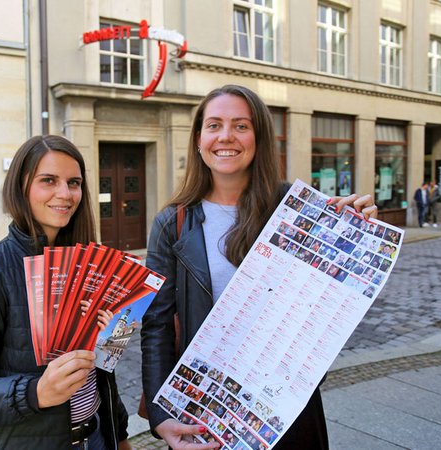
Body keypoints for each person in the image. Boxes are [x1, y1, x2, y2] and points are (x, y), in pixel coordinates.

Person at [140, 85, 378, 450]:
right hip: (208, 408)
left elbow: (331, 304)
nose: (226, 137)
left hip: (286, 403)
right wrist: (160, 417)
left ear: (259, 137)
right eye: (214, 125)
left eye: (240, 126)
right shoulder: (172, 222)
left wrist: (357, 234)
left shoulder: (295, 209)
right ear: (199, 138)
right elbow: (155, 325)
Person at [0, 135, 131, 449]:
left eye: (74, 182)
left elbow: (99, 374)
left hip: (96, 437)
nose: (65, 194)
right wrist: (36, 392)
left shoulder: (89, 265)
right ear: (21, 187)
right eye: (48, 180)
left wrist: (118, 434)